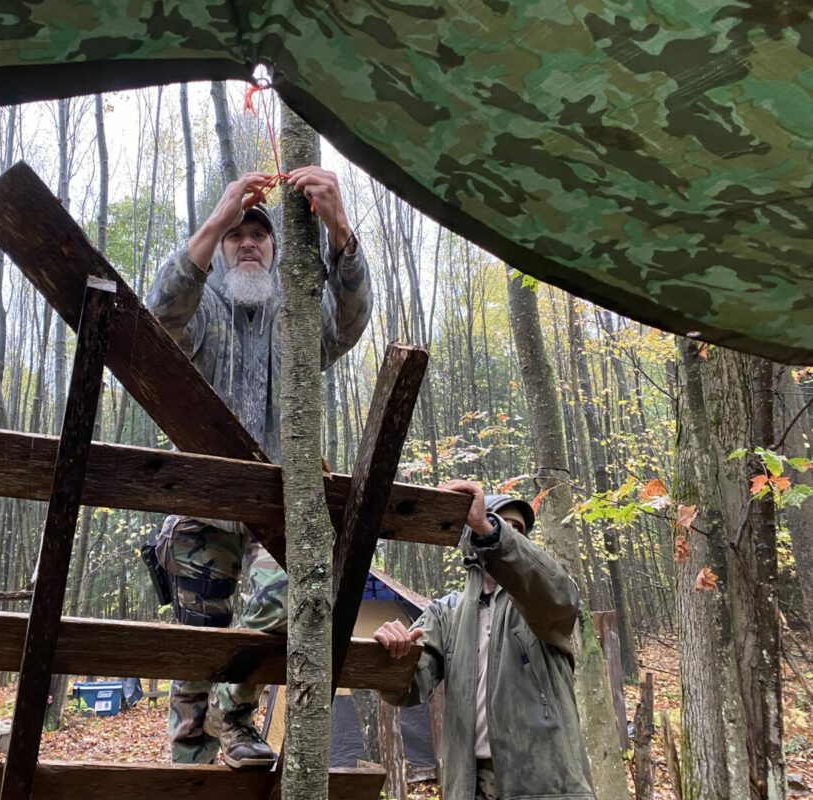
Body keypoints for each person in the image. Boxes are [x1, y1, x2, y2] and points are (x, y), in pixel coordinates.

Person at [144, 168, 371, 768]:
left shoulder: (296, 313)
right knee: (200, 634)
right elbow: (158, 315)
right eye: (236, 235)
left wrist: (340, 229)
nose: (248, 242)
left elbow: (350, 321)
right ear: (220, 250)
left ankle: (237, 717)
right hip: (200, 500)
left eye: (259, 235)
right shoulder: (203, 306)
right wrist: (217, 215)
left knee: (289, 594)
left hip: (279, 500)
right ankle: (189, 764)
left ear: (274, 250)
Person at [373, 480, 595, 800]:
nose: (506, 531)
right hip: (468, 785)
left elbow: (560, 597)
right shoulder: (445, 613)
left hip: (546, 785)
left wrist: (488, 529)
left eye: (515, 528)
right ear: (468, 539)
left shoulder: (539, 603)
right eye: (496, 521)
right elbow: (409, 688)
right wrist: (393, 656)